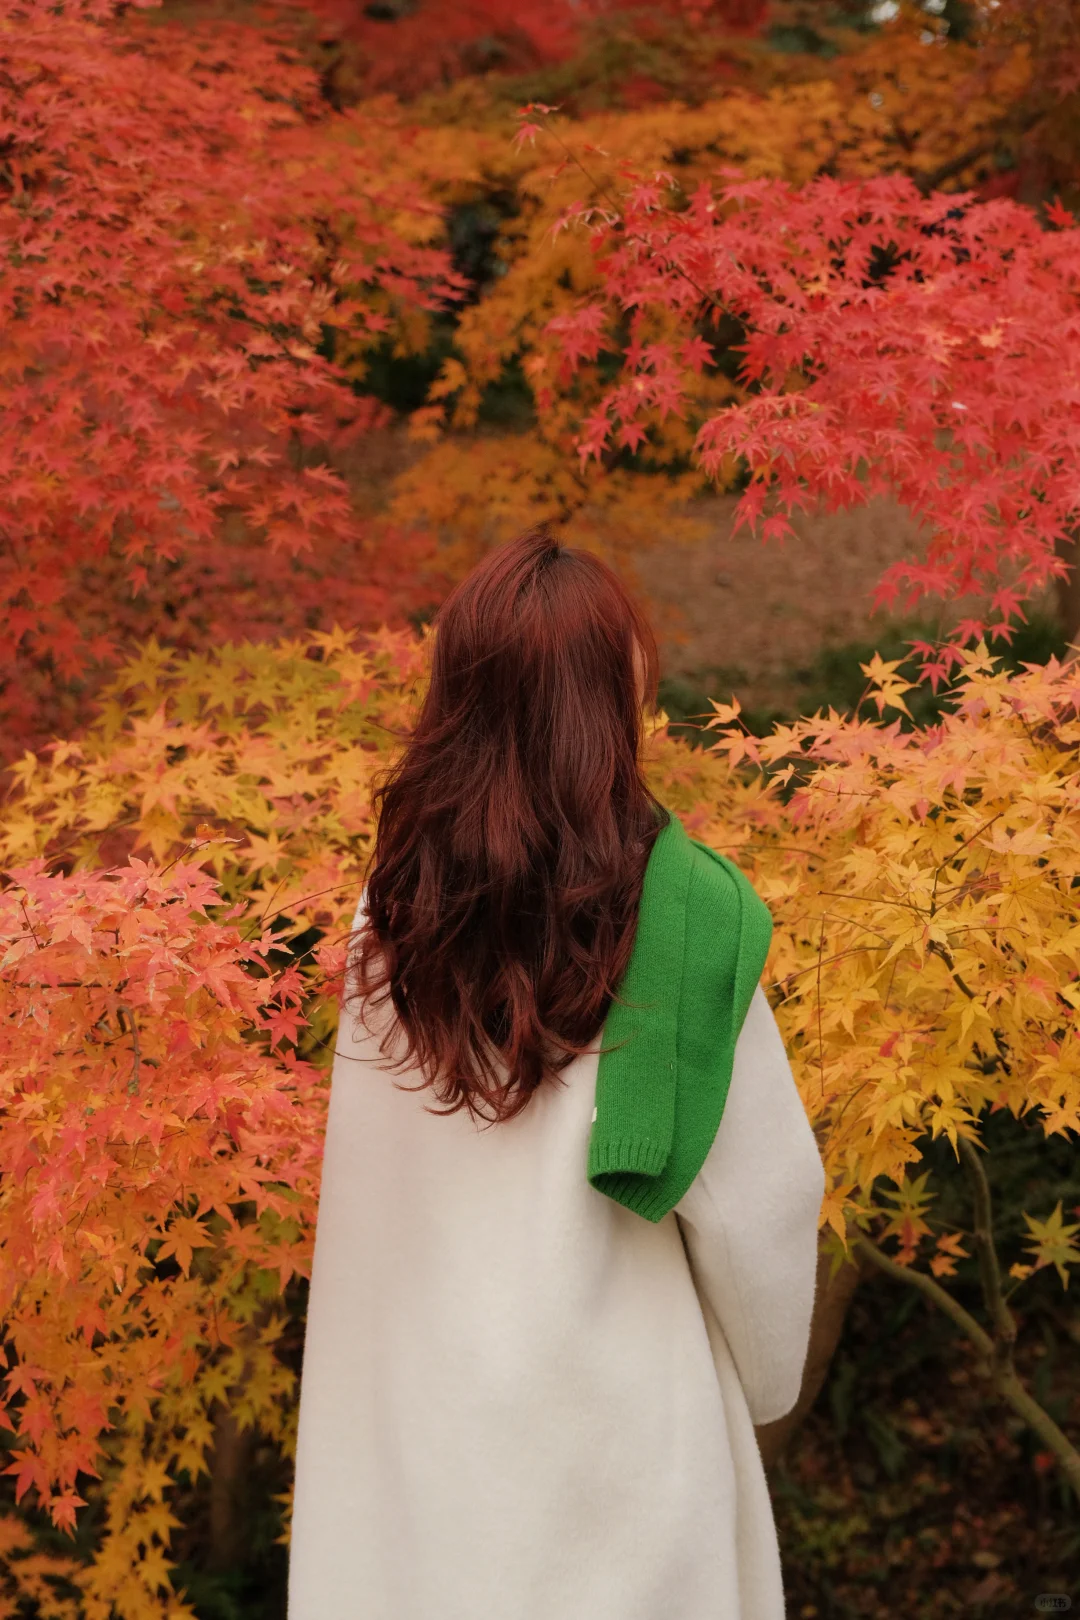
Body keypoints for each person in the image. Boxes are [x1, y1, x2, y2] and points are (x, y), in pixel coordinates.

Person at [287, 525, 826, 1620]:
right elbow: (762, 1209)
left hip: (407, 1443)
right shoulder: (682, 925)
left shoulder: (389, 916)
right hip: (622, 1454)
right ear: (613, 699)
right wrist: (770, 1387)